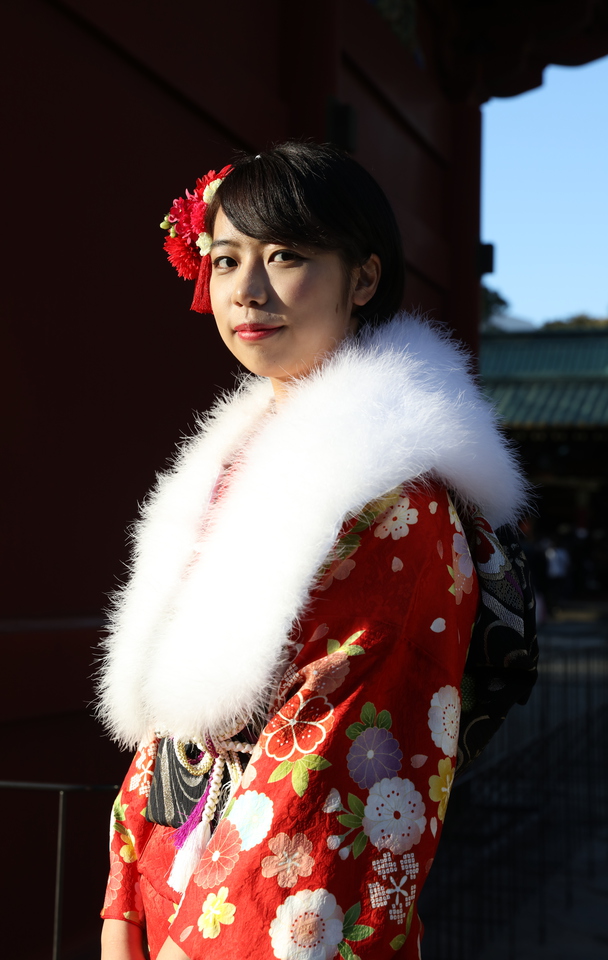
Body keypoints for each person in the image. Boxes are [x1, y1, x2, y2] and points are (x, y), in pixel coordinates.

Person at [97, 142, 529, 960]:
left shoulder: (392, 495)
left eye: (286, 257)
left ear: (363, 279)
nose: (246, 291)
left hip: (278, 899)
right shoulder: (235, 457)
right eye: (225, 260)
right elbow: (172, 721)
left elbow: (341, 757)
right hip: (175, 871)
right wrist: (126, 895)